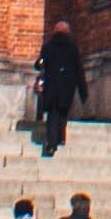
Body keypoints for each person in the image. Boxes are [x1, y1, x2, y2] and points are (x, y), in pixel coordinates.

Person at [33, 29, 82, 159]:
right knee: (63, 113)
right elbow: (78, 68)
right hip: (67, 87)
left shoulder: (48, 47)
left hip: (52, 86)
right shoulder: (73, 48)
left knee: (53, 115)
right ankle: (61, 137)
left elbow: (39, 64)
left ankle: (52, 144)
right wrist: (82, 89)